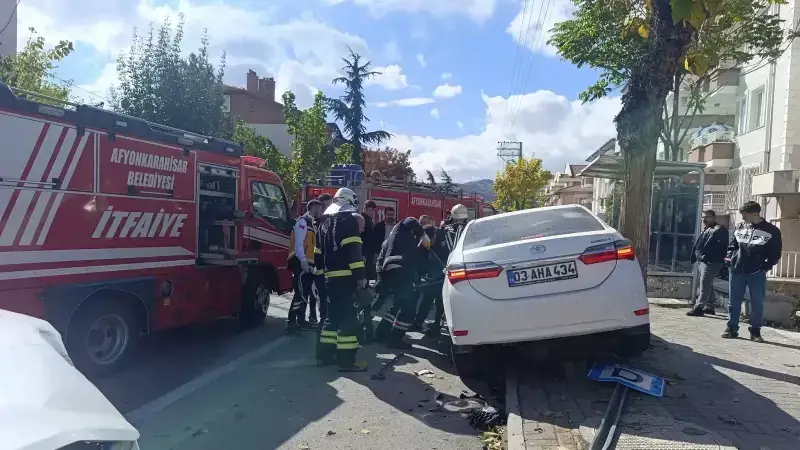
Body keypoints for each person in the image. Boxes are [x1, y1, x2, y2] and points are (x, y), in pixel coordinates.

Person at [316, 188, 370, 371]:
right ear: (350, 202)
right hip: (347, 278)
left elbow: (318, 253)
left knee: (331, 318)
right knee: (349, 320)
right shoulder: (348, 220)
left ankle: (325, 356)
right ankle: (347, 361)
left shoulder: (324, 223)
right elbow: (354, 252)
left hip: (329, 279)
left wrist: (320, 276)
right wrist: (361, 278)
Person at [723, 201, 782, 342]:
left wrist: (765, 268)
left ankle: (755, 331)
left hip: (757, 273)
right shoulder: (740, 226)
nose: (742, 218)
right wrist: (729, 261)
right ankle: (731, 328)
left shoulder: (772, 230)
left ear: (754, 214)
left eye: (744, 215)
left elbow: (775, 253)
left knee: (757, 303)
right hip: (736, 270)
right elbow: (732, 246)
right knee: (733, 301)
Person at [373, 217, 431, 349]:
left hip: (391, 271)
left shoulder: (395, 237)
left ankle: (381, 332)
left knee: (398, 304)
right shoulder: (405, 225)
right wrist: (424, 236)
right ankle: (395, 339)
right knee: (409, 307)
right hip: (401, 269)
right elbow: (411, 220)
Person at [286, 199, 324, 334]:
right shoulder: (302, 222)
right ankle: (291, 323)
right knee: (299, 294)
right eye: (319, 208)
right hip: (300, 263)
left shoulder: (311, 223)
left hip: (308, 263)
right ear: (313, 207)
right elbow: (299, 244)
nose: (321, 211)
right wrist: (303, 261)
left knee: (304, 294)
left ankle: (301, 321)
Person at [687, 210, 729, 317]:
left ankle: (699, 307)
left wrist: (710, 258)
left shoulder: (719, 230)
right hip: (703, 260)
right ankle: (710, 306)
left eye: (707, 217)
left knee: (704, 283)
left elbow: (722, 247)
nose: (704, 219)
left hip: (711, 261)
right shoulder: (707, 229)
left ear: (714, 217)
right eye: (703, 217)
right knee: (707, 283)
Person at [410, 216, 442, 332]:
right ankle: (418, 322)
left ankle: (436, 325)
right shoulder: (423, 245)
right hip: (432, 278)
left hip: (441, 277)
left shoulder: (442, 243)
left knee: (439, 302)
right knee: (427, 300)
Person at [362, 201, 378, 282]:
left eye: (373, 210)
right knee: (365, 273)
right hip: (365, 252)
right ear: (365, 209)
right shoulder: (362, 219)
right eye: (371, 210)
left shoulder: (369, 219)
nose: (372, 212)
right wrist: (362, 253)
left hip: (370, 252)